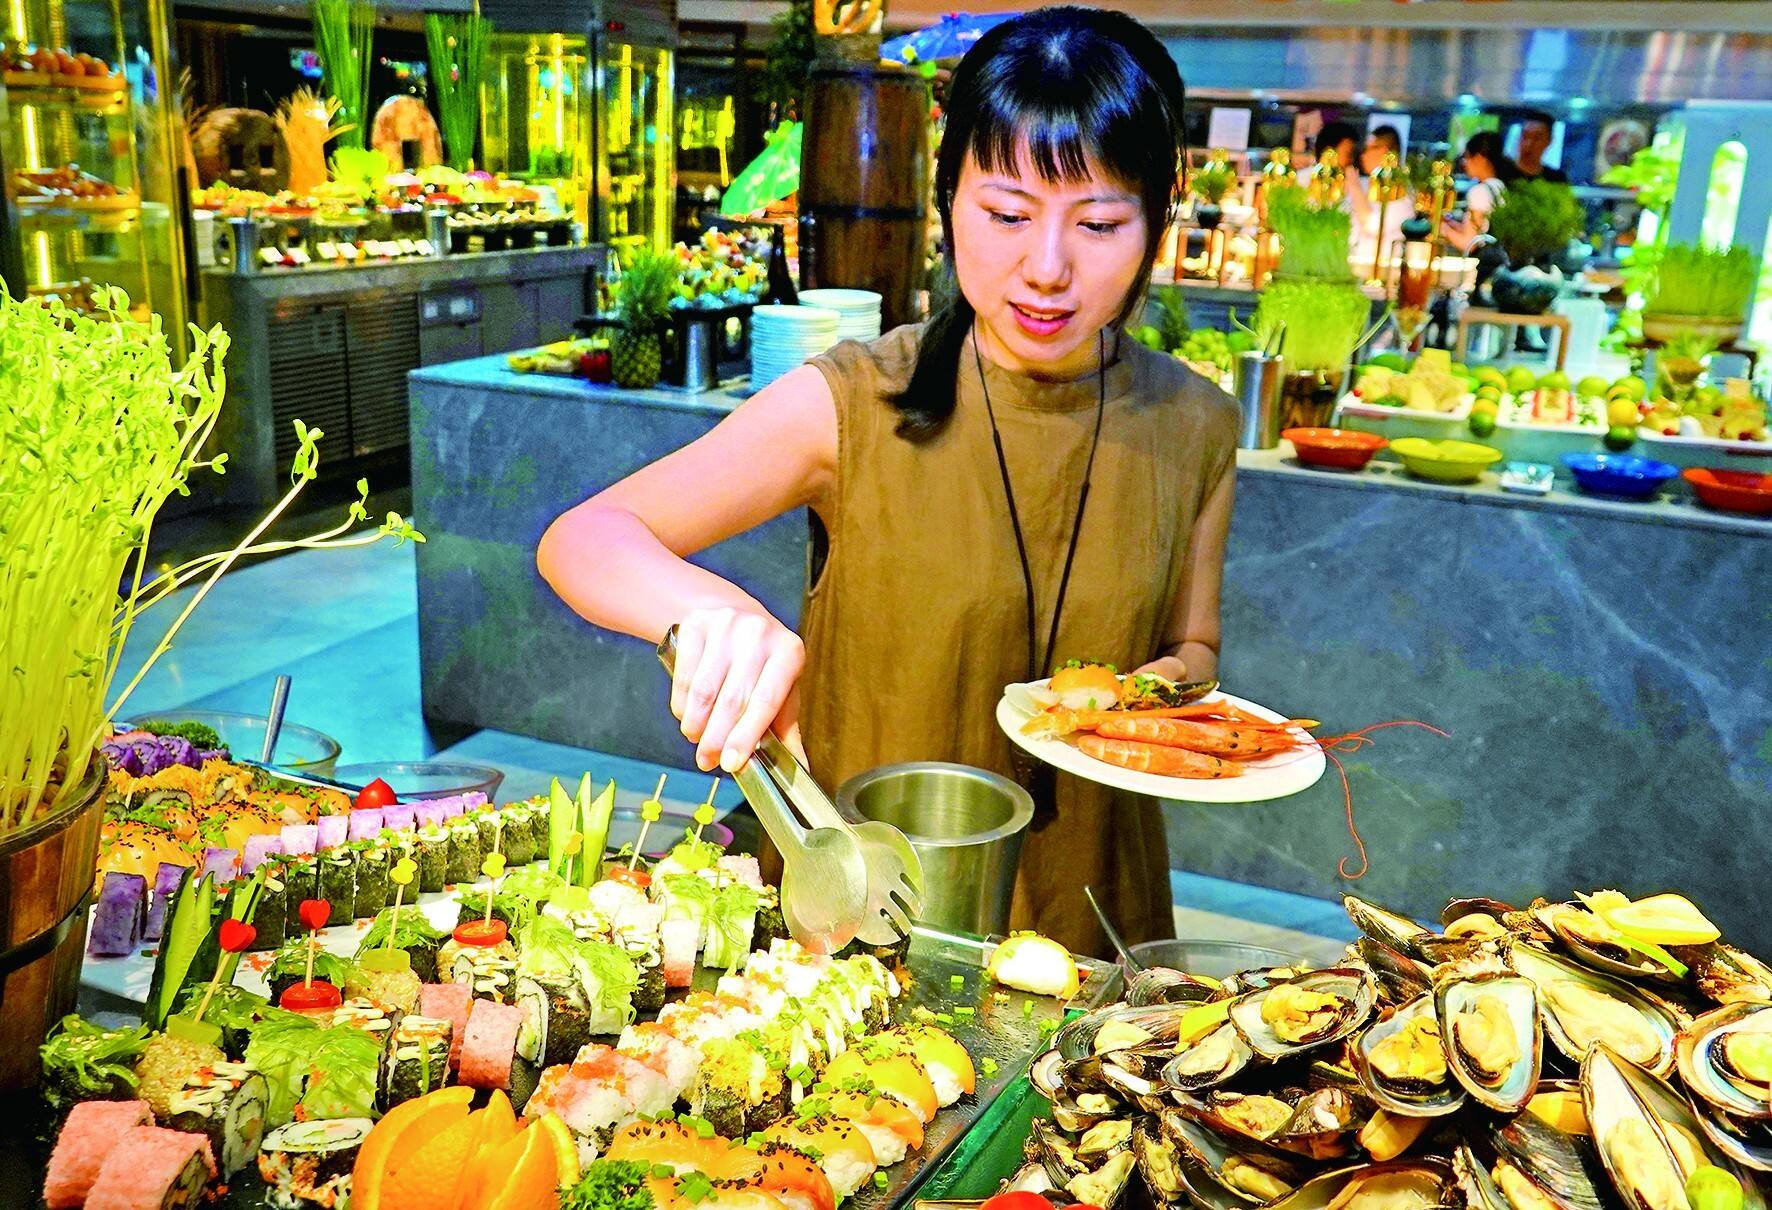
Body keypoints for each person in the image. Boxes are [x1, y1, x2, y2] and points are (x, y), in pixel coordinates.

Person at [536, 6, 1239, 956]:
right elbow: (584, 537)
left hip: (1092, 912)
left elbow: (1195, 645)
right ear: (947, 203)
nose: (1047, 268)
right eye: (1007, 214)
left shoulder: (1196, 422)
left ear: (1155, 223)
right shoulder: (859, 400)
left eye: (1101, 223)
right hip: (866, 914)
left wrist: (1150, 690)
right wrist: (707, 614)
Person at [1443, 130, 1516, 254]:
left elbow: (1469, 243)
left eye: (1467, 157)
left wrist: (1442, 228)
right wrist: (1452, 225)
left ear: (1479, 158)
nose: (1464, 163)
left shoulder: (1479, 192)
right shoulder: (1500, 186)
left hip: (1482, 263)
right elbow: (1481, 229)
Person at [1514, 111, 1568, 184]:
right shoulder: (1501, 172)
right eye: (1525, 136)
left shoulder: (1556, 179)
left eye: (1537, 138)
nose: (1529, 144)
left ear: (1549, 141)